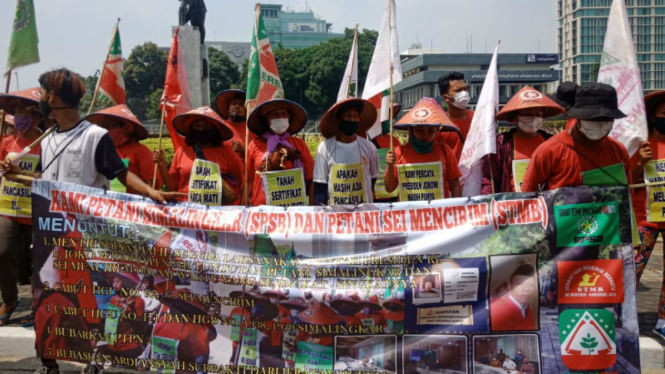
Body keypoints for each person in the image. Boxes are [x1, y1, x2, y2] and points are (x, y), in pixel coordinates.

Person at [521, 83, 630, 192]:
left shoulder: (618, 151)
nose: (600, 124)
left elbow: (630, 196)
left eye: (606, 119)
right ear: (578, 118)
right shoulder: (549, 151)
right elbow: (527, 197)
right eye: (593, 118)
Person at [0, 88, 43, 327]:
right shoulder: (6, 141)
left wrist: (22, 174)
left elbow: (47, 176)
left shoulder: (46, 142)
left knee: (38, 262)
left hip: (36, 211)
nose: (19, 117)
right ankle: (10, 299)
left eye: (23, 112)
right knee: (2, 253)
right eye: (14, 112)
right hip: (8, 209)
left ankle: (39, 307)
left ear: (36, 115)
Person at [154, 106, 244, 205]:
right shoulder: (182, 151)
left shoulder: (227, 153)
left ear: (214, 130)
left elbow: (238, 183)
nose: (201, 129)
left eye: (206, 126)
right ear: (191, 129)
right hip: (187, 210)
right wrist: (162, 166)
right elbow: (173, 186)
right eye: (197, 125)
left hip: (217, 212)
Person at [481, 86, 563, 194]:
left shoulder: (552, 143)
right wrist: (488, 203)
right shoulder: (501, 144)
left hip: (545, 205)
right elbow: (490, 179)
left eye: (538, 115)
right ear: (515, 117)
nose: (533, 118)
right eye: (528, 114)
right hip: (513, 205)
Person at [632, 90, 665, 337]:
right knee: (632, 270)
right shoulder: (640, 145)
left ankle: (663, 320)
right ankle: (623, 315)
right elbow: (628, 180)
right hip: (644, 220)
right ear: (653, 116)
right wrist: (641, 163)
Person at [246, 99, 314, 206]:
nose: (280, 117)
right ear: (267, 119)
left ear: (289, 118)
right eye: (275, 114)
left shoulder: (299, 144)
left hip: (293, 210)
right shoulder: (254, 145)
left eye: (284, 114)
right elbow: (249, 179)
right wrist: (244, 203)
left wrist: (312, 208)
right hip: (261, 209)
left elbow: (311, 179)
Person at [314, 98, 379, 205]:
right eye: (348, 116)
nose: (352, 120)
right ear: (338, 120)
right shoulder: (325, 148)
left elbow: (372, 178)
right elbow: (320, 185)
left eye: (355, 116)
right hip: (336, 214)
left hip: (363, 212)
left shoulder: (369, 147)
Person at [86, 104, 160, 192]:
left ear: (126, 128)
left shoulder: (141, 151)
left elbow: (151, 184)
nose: (107, 130)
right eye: (104, 126)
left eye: (113, 125)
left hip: (132, 203)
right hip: (105, 202)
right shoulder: (101, 150)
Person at [385, 122, 462, 200]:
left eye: (431, 131)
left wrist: (459, 209)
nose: (425, 135)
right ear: (410, 130)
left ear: (437, 130)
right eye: (419, 130)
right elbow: (389, 189)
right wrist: (390, 166)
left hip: (439, 210)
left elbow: (455, 185)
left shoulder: (444, 151)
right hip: (409, 211)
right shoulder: (399, 153)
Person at [490, 263, 538, 331]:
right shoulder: (496, 308)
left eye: (531, 285)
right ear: (510, 286)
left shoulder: (527, 310)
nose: (526, 289)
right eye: (519, 284)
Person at [437, 72, 473, 161]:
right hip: (452, 174)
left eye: (465, 89)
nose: (464, 93)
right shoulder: (439, 124)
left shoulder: (479, 118)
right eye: (458, 90)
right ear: (446, 97)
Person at [213, 89, 256, 159]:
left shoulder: (252, 129)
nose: (237, 106)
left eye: (241, 104)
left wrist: (244, 151)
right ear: (228, 109)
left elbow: (259, 156)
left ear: (247, 110)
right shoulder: (219, 127)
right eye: (234, 103)